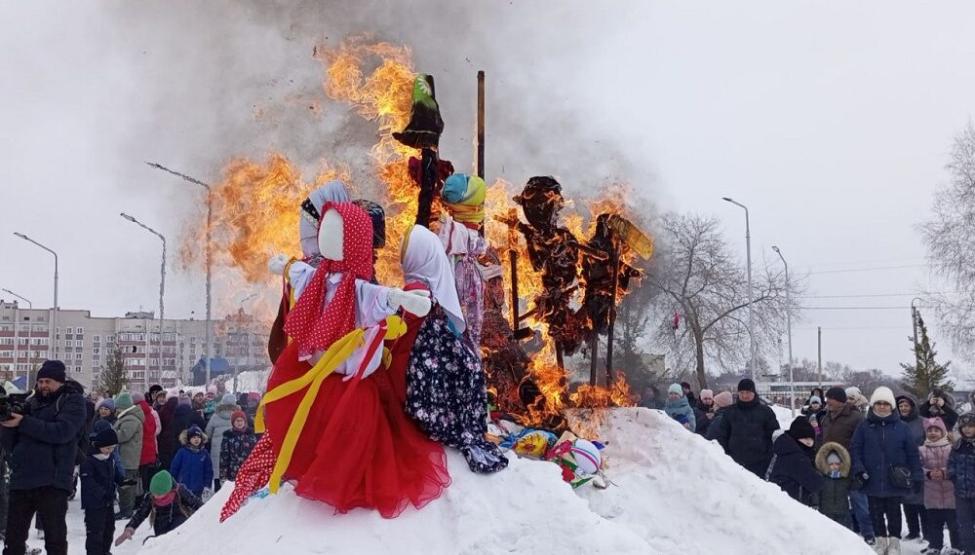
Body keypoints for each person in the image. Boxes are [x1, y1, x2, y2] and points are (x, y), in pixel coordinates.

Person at [222, 203, 451, 522]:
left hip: (347, 378)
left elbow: (378, 297)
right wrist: (284, 266)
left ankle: (344, 481)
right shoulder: (319, 276)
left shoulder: (357, 287)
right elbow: (298, 273)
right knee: (310, 425)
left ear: (352, 240)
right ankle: (310, 469)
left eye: (334, 232)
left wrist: (402, 300)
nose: (325, 238)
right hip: (317, 368)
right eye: (325, 230)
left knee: (349, 433)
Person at [0, 360, 86, 555]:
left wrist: (24, 422)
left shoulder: (73, 401)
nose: (43, 386)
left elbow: (62, 432)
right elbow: (10, 444)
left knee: (54, 541)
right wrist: (6, 422)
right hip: (22, 480)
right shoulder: (30, 403)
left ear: (60, 382)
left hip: (53, 480)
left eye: (48, 381)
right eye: (40, 382)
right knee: (13, 541)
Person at [851, 386, 923, 554]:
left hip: (895, 478)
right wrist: (859, 469)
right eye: (878, 403)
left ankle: (894, 542)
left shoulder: (902, 427)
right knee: (875, 511)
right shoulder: (864, 426)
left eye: (885, 403)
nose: (882, 406)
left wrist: (917, 475)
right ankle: (880, 540)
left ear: (891, 406)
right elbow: (855, 449)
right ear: (873, 405)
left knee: (894, 512)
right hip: (872, 477)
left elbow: (912, 453)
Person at [711, 379, 780, 477]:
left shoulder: (765, 412)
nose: (744, 395)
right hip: (735, 464)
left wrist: (768, 455)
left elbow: (775, 436)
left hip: (760, 464)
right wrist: (726, 456)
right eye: (741, 392)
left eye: (747, 392)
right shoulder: (730, 412)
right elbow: (722, 436)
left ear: (753, 393)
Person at [114, 470, 202, 546]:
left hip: (179, 526)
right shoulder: (151, 497)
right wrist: (130, 527)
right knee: (155, 543)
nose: (155, 496)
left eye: (158, 494)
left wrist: (209, 513)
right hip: (161, 526)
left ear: (167, 490)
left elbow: (196, 503)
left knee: (175, 533)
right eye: (153, 493)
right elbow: (141, 513)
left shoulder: (179, 491)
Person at [80, 426, 128, 555]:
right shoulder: (88, 461)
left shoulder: (109, 458)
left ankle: (105, 551)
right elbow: (88, 482)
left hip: (108, 502)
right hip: (94, 504)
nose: (109, 451)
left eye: (112, 449)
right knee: (95, 532)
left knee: (109, 529)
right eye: (107, 448)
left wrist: (122, 480)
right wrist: (103, 493)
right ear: (99, 446)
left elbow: (114, 474)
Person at [919, 417, 958, 554]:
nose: (933, 433)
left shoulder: (952, 448)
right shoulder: (922, 450)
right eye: (930, 430)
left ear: (943, 432)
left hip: (951, 495)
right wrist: (928, 474)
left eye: (937, 430)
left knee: (954, 524)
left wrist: (944, 473)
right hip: (931, 495)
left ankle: (957, 547)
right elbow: (917, 468)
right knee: (934, 524)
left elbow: (956, 466)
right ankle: (935, 546)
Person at [767, 417, 822, 506]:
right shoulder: (797, 457)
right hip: (794, 503)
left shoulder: (783, 449)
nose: (808, 443)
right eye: (805, 439)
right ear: (796, 438)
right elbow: (815, 483)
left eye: (811, 440)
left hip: (782, 501)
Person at [895, 394, 926, 541]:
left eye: (906, 406)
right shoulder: (896, 422)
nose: (903, 409)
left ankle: (927, 531)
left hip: (919, 462)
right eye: (901, 406)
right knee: (906, 500)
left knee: (920, 499)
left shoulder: (922, 422)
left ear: (912, 407)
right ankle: (913, 530)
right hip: (901, 465)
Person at [112, 389, 144, 520]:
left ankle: (126, 511)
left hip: (128, 458)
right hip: (126, 457)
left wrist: (110, 435)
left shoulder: (131, 419)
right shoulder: (128, 418)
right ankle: (126, 509)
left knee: (126, 487)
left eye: (118, 408)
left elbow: (123, 436)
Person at [949, 413, 975, 555]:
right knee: (964, 524)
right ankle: (969, 549)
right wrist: (954, 478)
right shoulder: (957, 446)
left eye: (971, 426)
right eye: (964, 426)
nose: (967, 429)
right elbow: (951, 464)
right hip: (961, 493)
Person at [205, 393, 239, 492]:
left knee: (217, 472)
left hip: (217, 450)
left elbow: (208, 433)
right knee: (231, 473)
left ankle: (217, 493)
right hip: (233, 449)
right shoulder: (237, 416)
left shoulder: (215, 416)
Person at [816, 442, 854, 529]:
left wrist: (859, 481)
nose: (834, 467)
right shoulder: (822, 477)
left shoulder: (845, 478)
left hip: (842, 511)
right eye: (831, 464)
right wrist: (816, 503)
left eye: (837, 464)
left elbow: (853, 487)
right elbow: (817, 492)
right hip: (826, 511)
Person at [170, 426, 212, 498]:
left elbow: (208, 471)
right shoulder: (182, 452)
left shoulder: (204, 454)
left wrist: (207, 485)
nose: (196, 439)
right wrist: (173, 483)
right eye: (193, 437)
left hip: (199, 489)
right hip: (183, 488)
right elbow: (174, 468)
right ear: (189, 439)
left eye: (198, 437)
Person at [219, 410, 257, 483]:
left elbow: (256, 454)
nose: (239, 423)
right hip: (233, 472)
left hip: (249, 471)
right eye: (237, 421)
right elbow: (223, 458)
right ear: (233, 423)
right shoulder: (228, 436)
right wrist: (223, 476)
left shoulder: (251, 435)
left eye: (241, 420)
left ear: (245, 421)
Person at [133, 392, 160, 494]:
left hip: (141, 451)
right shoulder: (151, 414)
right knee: (148, 477)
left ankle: (142, 498)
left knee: (141, 478)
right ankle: (148, 496)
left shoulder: (137, 415)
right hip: (151, 449)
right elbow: (154, 430)